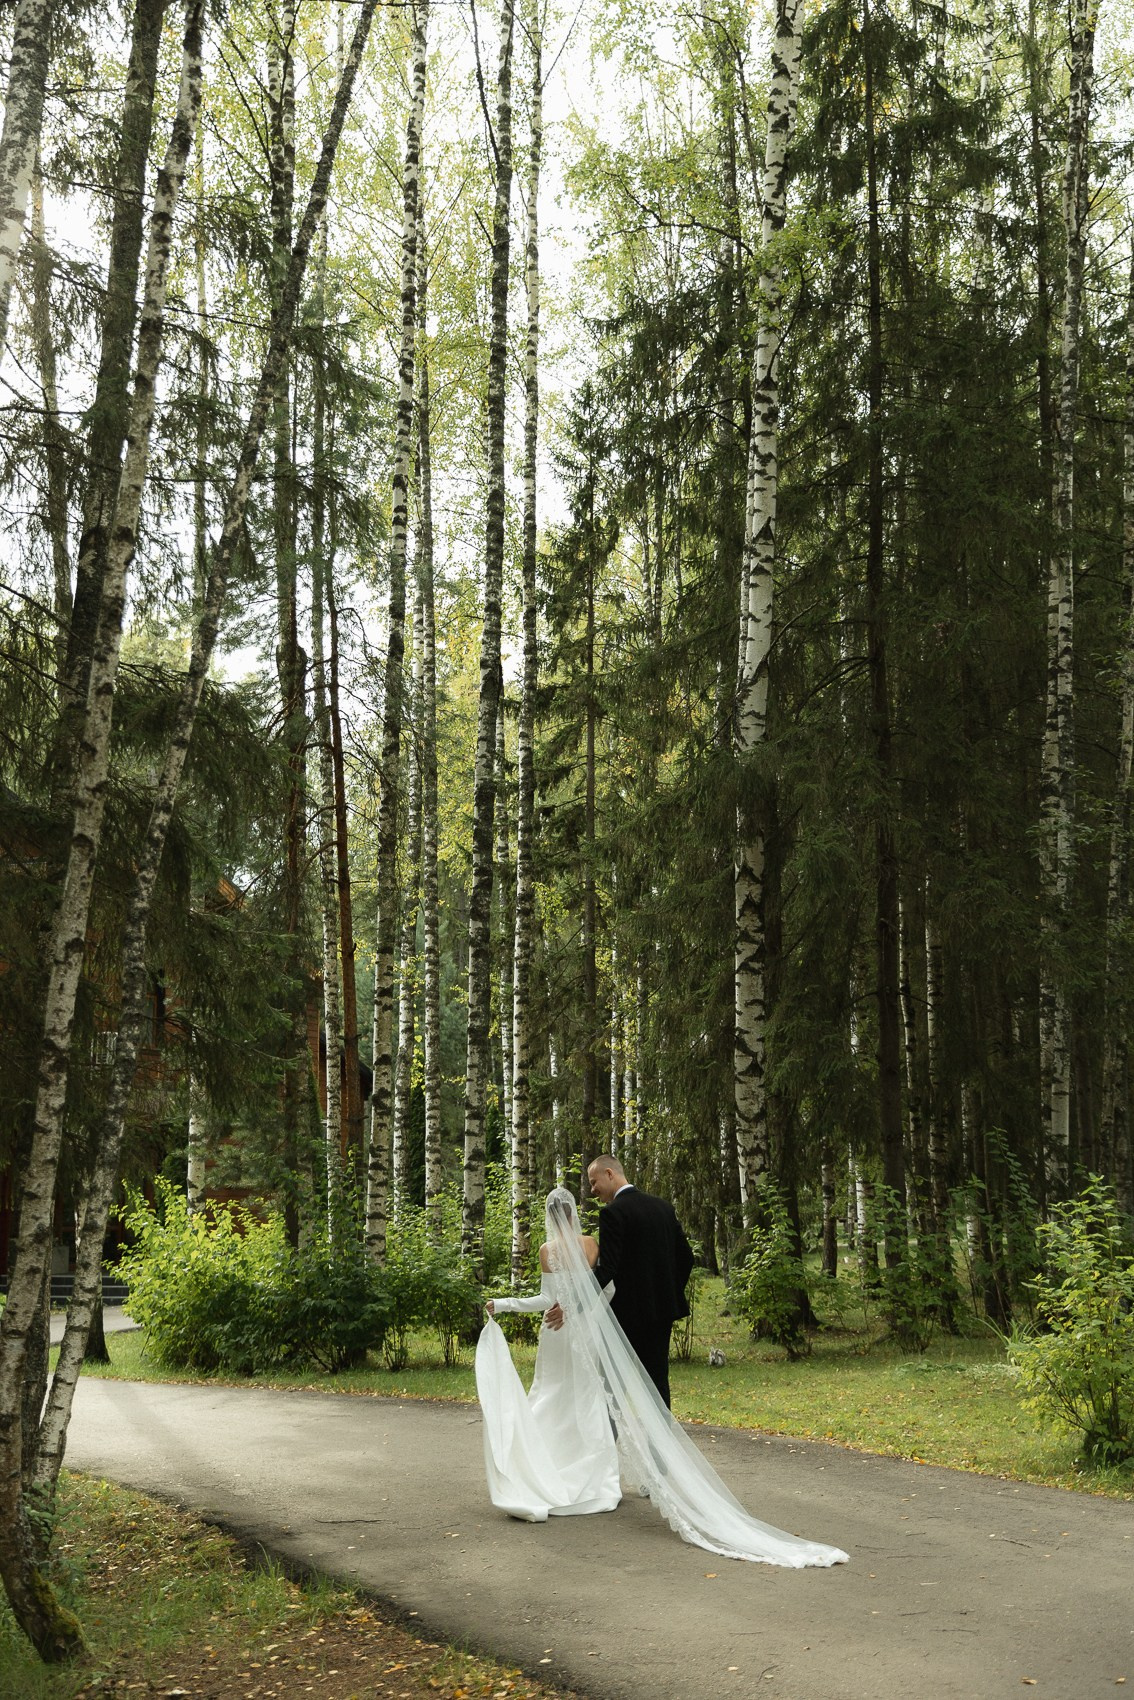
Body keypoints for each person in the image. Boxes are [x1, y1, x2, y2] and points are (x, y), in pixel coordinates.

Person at [476, 1187, 848, 1568]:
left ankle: (545, 1467)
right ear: (573, 1214)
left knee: (551, 1397)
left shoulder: (544, 1250)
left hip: (555, 1336)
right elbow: (610, 1286)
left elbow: (543, 1301)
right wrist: (583, 1312)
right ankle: (596, 1480)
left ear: (550, 1217)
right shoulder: (590, 1244)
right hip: (585, 1330)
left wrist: (504, 1304)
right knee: (589, 1400)